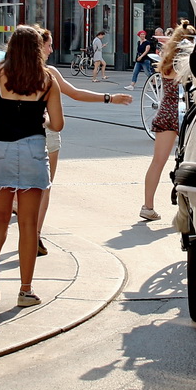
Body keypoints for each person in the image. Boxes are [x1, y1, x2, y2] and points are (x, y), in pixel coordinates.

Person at [0, 25, 64, 308]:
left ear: (11, 47)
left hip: (0, 149)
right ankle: (25, 290)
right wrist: (44, 118)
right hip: (33, 151)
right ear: (38, 49)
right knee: (26, 225)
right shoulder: (48, 80)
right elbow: (57, 124)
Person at [36, 27, 132, 256]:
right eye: (48, 45)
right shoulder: (48, 73)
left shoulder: (4, 73)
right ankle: (34, 236)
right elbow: (75, 94)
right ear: (38, 47)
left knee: (24, 190)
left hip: (16, 139)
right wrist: (110, 98)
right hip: (46, 133)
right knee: (44, 188)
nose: (51, 50)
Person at [141, 21, 196, 221]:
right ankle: (188, 209)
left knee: (157, 161)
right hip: (187, 113)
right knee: (192, 162)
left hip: (166, 111)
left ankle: (147, 206)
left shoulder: (166, 61)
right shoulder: (189, 62)